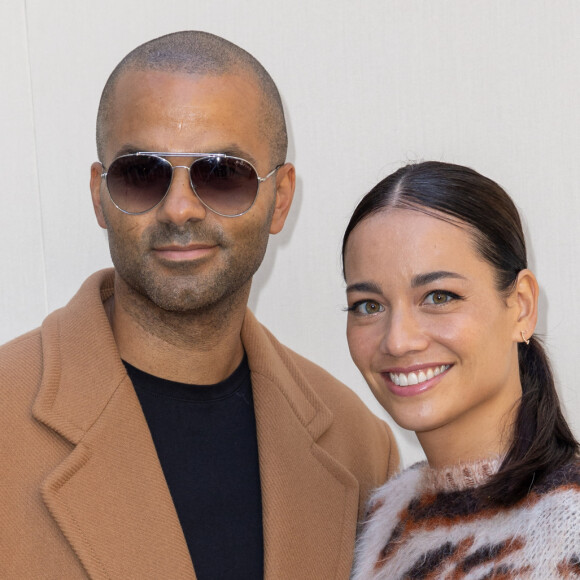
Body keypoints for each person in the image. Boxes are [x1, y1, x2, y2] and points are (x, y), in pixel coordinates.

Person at [0, 31, 399, 579]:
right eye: (142, 174)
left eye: (222, 174)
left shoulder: (359, 448)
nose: (181, 208)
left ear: (279, 199)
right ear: (100, 195)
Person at [342, 161, 579, 579]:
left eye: (439, 296)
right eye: (369, 305)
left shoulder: (570, 525)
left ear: (521, 306)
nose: (397, 340)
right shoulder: (383, 516)